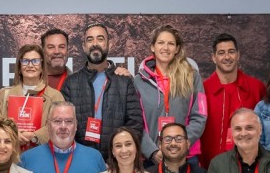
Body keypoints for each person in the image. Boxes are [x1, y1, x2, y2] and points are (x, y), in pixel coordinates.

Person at [61, 21, 143, 158]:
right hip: (80, 159)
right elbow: (64, 124)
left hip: (117, 160)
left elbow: (135, 124)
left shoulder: (124, 81)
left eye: (100, 38)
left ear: (109, 44)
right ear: (83, 46)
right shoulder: (71, 83)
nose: (95, 44)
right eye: (90, 39)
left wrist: (120, 154)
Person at [134, 24, 207, 163]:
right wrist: (152, 151)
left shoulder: (192, 77)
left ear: (177, 48)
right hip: (152, 158)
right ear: (152, 47)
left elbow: (200, 116)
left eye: (171, 44)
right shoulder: (139, 81)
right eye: (160, 43)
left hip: (186, 156)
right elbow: (136, 122)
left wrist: (182, 143)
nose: (165, 48)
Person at [200, 33, 265, 168]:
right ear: (214, 57)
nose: (227, 57)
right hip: (210, 168)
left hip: (250, 167)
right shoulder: (202, 91)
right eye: (221, 53)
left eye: (231, 52)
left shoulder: (256, 88)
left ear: (238, 55)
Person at [0, 43, 65, 152]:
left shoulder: (55, 96)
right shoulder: (3, 94)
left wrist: (34, 136)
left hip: (41, 155)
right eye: (25, 61)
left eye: (35, 61)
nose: (30, 65)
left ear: (42, 67)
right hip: (9, 155)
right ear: (19, 67)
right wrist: (12, 133)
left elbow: (59, 125)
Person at [41, 27, 72, 93]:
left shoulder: (78, 82)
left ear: (67, 50)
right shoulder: (30, 80)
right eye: (51, 47)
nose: (57, 51)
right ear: (43, 51)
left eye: (61, 47)